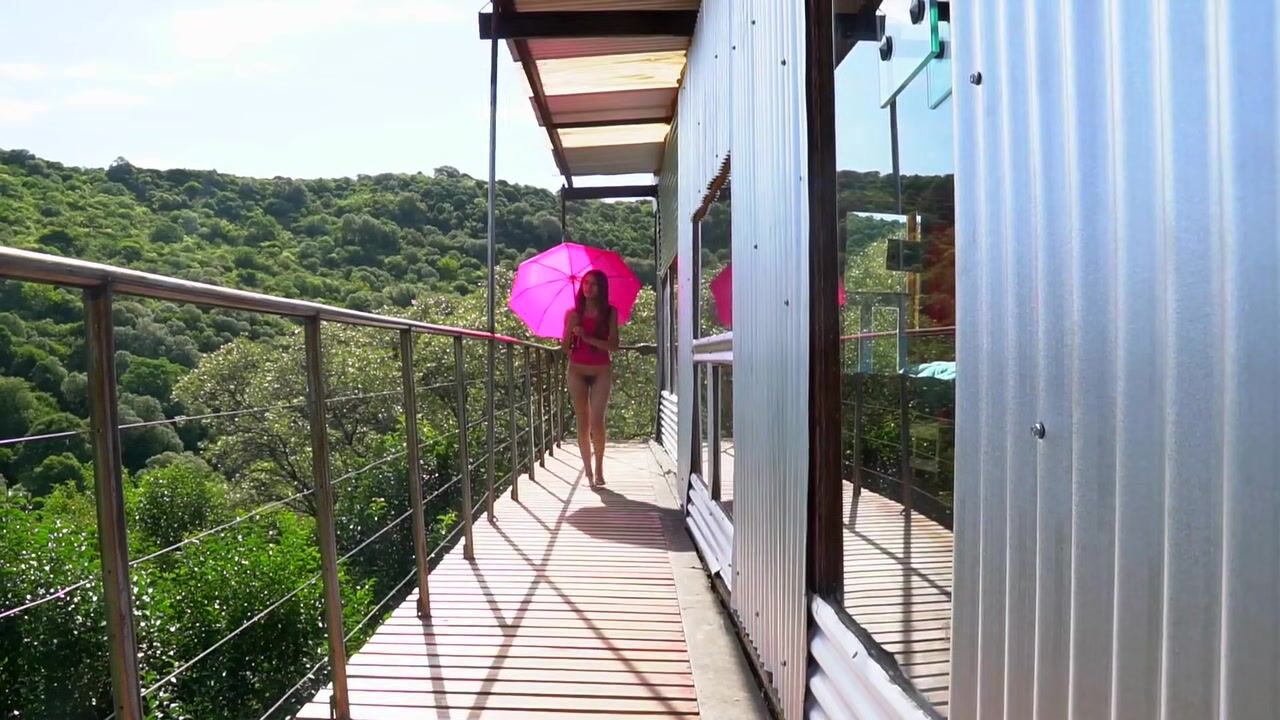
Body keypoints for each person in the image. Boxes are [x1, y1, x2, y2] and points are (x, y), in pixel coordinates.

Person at [562, 269, 619, 487]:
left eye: (593, 284)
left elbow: (613, 345)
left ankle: (599, 468)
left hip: (601, 370)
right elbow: (565, 347)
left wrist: (587, 337)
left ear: (601, 288)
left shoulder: (610, 312)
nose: (588, 287)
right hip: (577, 370)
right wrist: (571, 331)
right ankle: (587, 470)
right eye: (585, 283)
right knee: (582, 421)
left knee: (597, 420)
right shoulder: (572, 313)